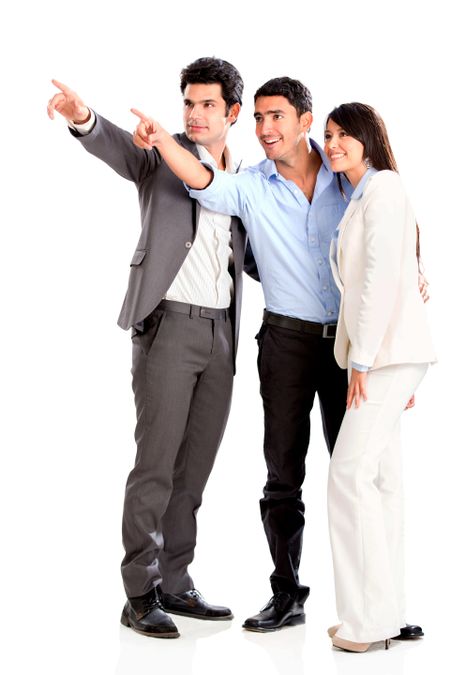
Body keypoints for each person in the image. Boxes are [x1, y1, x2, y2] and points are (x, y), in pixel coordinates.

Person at [131, 77, 428, 638]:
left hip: (348, 347)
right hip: (287, 343)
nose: (266, 129)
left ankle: (382, 608)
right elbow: (202, 181)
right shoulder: (248, 186)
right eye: (260, 118)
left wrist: (397, 342)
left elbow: (388, 254)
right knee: (283, 475)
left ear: (305, 121)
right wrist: (164, 142)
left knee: (366, 474)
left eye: (278, 117)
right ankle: (287, 593)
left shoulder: (349, 175)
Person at [47, 57, 247, 639]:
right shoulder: (158, 149)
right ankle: (138, 593)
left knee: (195, 470)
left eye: (209, 104)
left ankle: (176, 581)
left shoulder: (245, 177)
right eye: (190, 102)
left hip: (221, 333)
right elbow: (118, 150)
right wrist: (83, 117)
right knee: (155, 465)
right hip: (169, 327)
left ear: (232, 112)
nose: (196, 113)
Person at [322, 103, 436, 652]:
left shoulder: (384, 189)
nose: (334, 142)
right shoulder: (363, 196)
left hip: (385, 357)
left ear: (368, 139)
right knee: (381, 481)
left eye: (345, 134)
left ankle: (365, 624)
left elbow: (378, 278)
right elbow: (394, 273)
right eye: (329, 135)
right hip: (388, 357)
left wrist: (363, 361)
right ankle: (385, 613)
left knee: (348, 476)